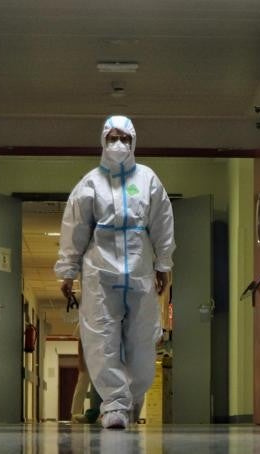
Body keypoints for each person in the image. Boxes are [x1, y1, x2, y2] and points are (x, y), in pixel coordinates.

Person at [56, 116, 175, 430]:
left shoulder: (149, 180)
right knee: (102, 338)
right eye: (112, 137)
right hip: (100, 272)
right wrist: (67, 271)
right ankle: (114, 405)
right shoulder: (90, 183)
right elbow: (75, 229)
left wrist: (164, 264)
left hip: (139, 269)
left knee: (142, 340)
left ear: (133, 141)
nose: (118, 143)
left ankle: (131, 399)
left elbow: (162, 223)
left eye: (124, 137)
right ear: (102, 141)